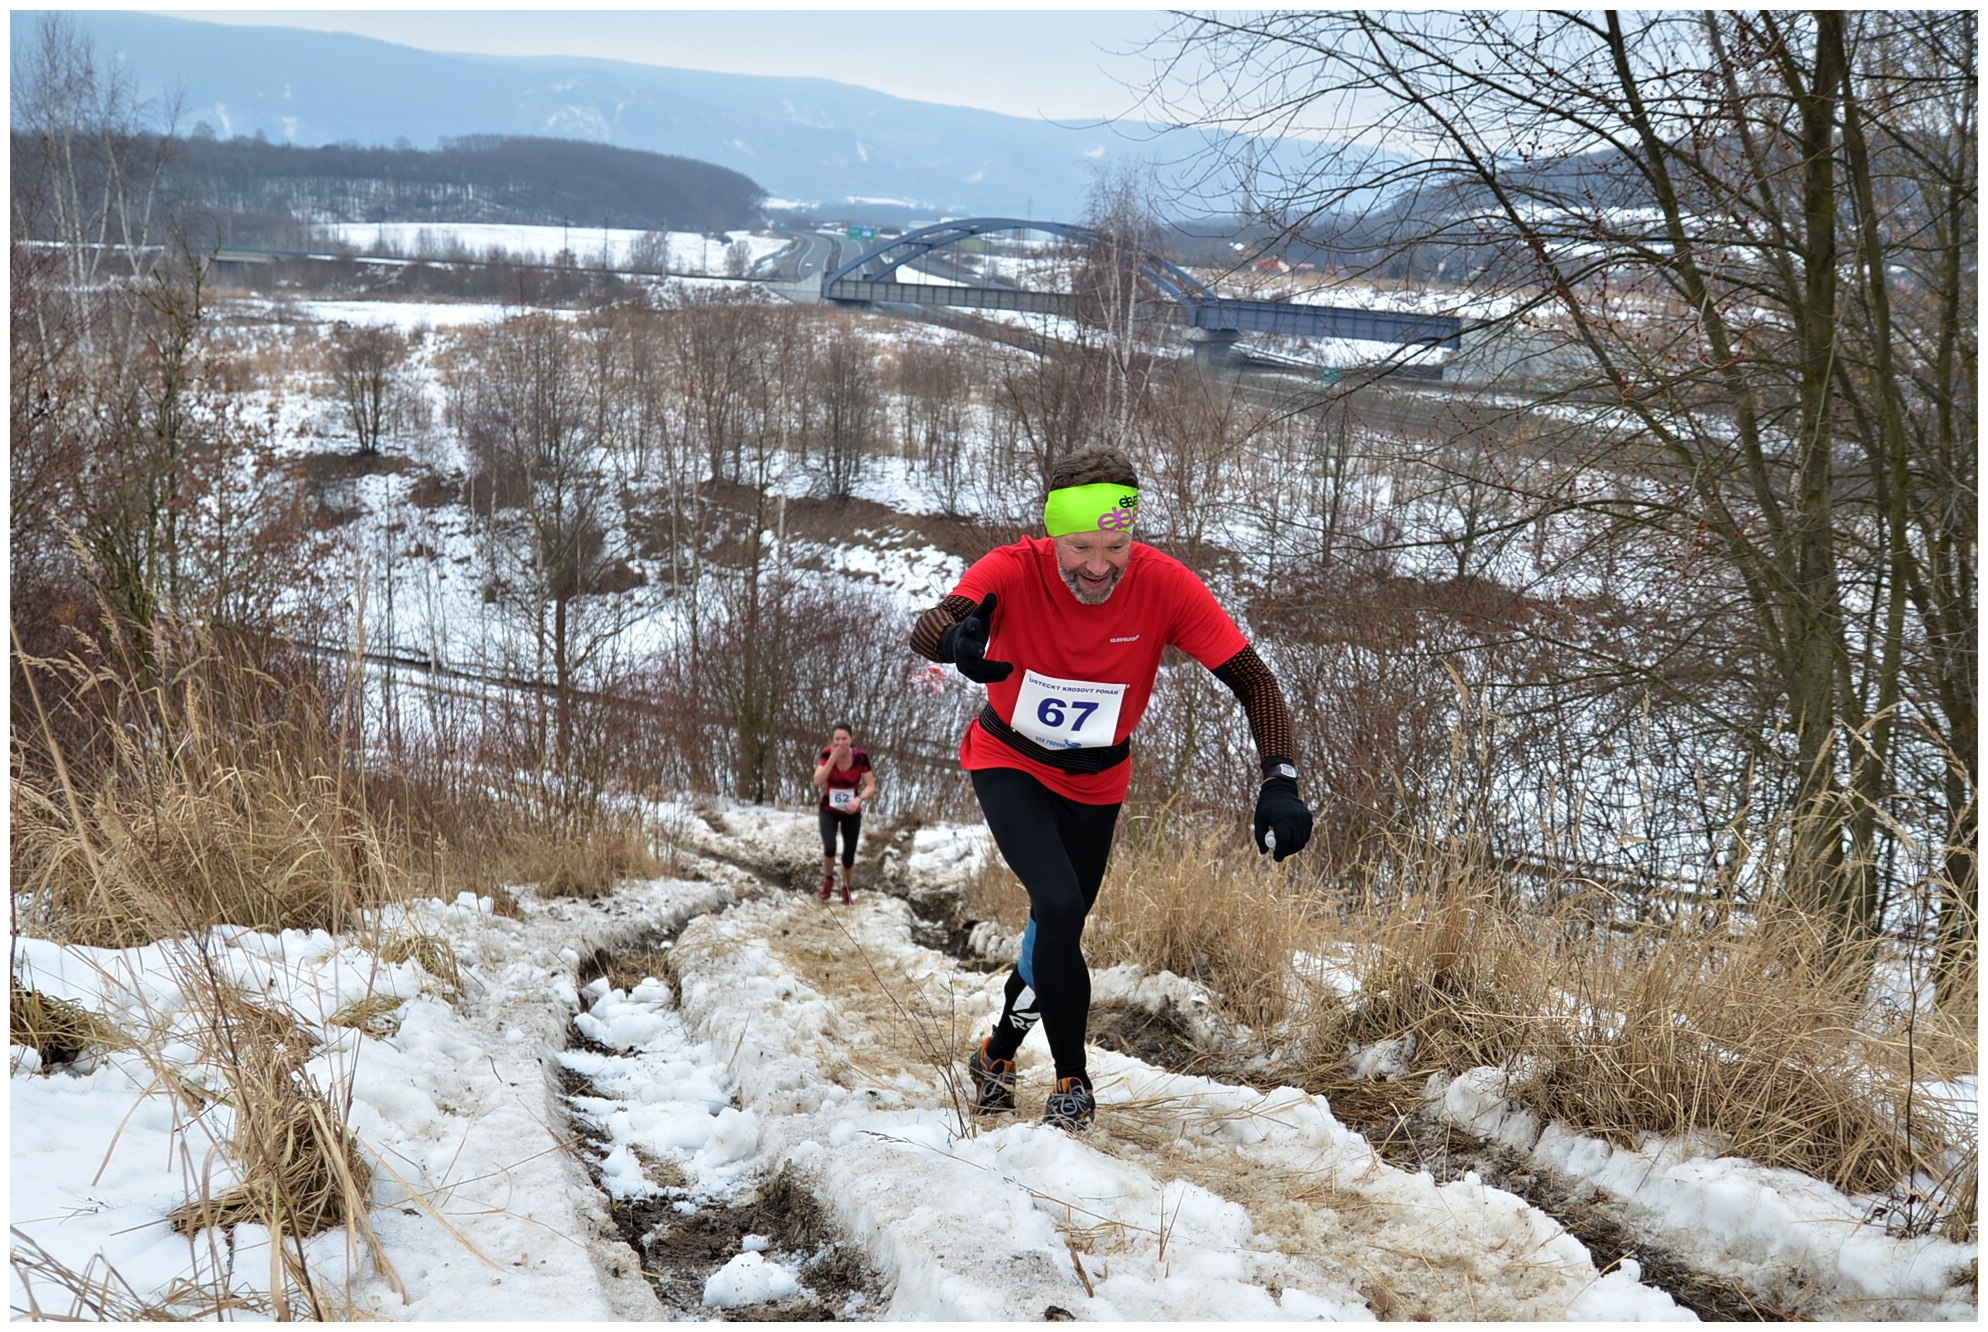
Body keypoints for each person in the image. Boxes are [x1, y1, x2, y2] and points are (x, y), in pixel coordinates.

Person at [909, 445, 1314, 1132]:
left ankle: (998, 1052)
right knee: (1060, 905)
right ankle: (1073, 1078)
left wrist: (1279, 779)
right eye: (1080, 547)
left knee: (1054, 929)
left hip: (1098, 781)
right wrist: (957, 642)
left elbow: (1255, 681)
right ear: (1052, 536)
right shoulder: (1012, 568)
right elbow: (931, 626)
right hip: (1010, 762)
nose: (1099, 565)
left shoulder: (1165, 585)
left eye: (1115, 545)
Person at [812, 723, 876, 904]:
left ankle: (846, 890)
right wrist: (832, 758)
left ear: (851, 739)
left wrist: (859, 799)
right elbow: (817, 781)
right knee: (830, 847)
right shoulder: (827, 753)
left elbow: (871, 786)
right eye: (837, 739)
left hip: (851, 811)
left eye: (844, 739)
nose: (840, 743)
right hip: (828, 810)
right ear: (832, 741)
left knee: (849, 856)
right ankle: (828, 880)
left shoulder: (861, 757)